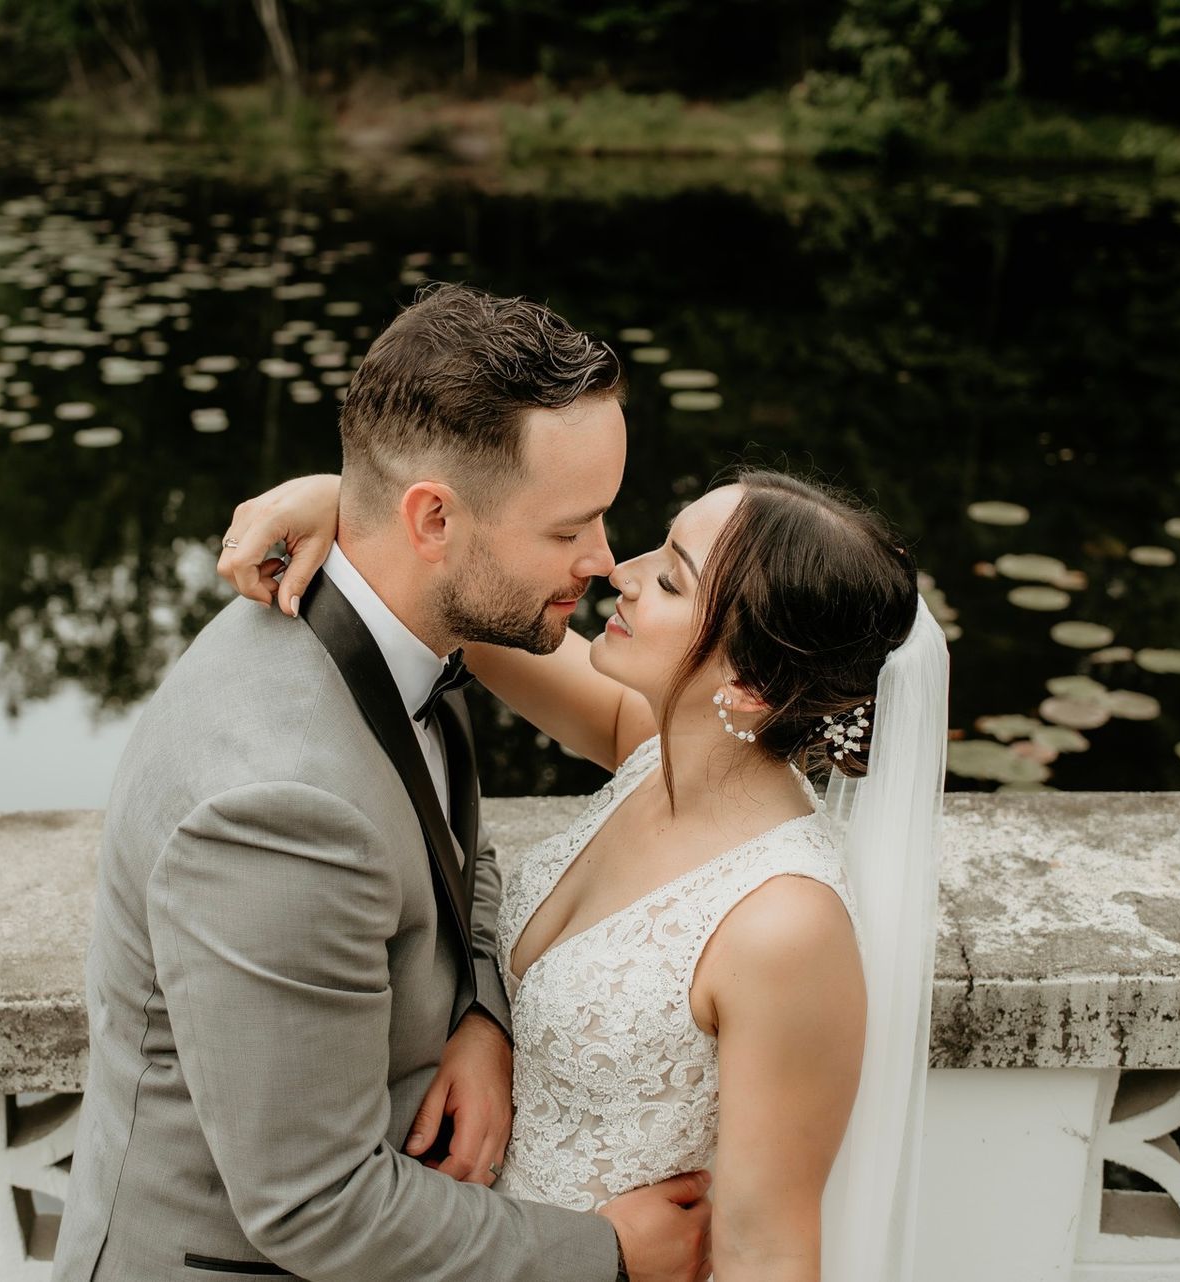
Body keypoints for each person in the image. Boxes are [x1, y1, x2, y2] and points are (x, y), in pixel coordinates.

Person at [53, 284, 713, 1282]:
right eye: (568, 527)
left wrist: (482, 1010)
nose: (603, 559)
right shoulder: (278, 810)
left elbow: (456, 858)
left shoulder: (403, 623)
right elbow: (314, 1207)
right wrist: (609, 1252)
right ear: (433, 518)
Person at [219, 460, 949, 1280]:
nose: (620, 574)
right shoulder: (652, 749)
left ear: (748, 685)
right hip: (467, 1251)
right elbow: (457, 601)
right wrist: (350, 503)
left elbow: (766, 1250)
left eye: (671, 581)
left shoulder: (784, 926)